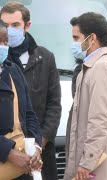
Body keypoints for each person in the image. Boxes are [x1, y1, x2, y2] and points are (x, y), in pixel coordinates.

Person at [64, 12, 107, 180]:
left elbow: (99, 120)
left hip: (103, 167)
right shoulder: (91, 67)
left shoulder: (101, 68)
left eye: (76, 37)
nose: (74, 43)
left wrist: (87, 161)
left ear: (92, 38)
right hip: (96, 166)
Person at [0, 2, 62, 179]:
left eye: (15, 25)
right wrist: (10, 152)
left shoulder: (17, 67)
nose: (9, 33)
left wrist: (36, 145)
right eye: (6, 25)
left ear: (27, 26)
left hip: (31, 153)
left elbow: (45, 108)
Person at [0, 19, 42, 180]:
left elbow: (29, 114)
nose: (2, 47)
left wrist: (36, 147)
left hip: (21, 166)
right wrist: (8, 152)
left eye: (4, 42)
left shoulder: (13, 70)